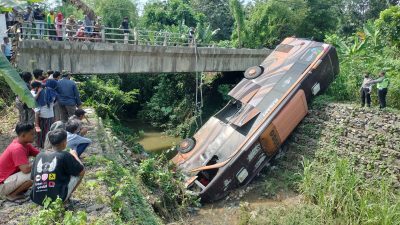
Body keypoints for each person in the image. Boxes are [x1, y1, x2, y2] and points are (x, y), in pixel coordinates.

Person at [30, 129, 85, 205]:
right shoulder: (65, 155)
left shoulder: (39, 155)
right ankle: (65, 200)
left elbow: (33, 178)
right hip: (57, 198)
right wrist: (75, 155)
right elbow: (81, 171)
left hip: (37, 198)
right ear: (64, 142)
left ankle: (47, 198)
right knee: (79, 172)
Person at [0, 123, 40, 201]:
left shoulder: (25, 144)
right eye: (32, 134)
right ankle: (12, 195)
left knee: (37, 171)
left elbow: (40, 154)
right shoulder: (17, 148)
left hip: (7, 180)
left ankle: (16, 191)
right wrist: (37, 162)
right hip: (2, 185)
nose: (34, 135)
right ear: (23, 135)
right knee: (36, 173)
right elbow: (25, 170)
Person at [35, 79, 58, 148]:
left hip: (42, 116)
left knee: (41, 133)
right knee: (48, 132)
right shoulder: (53, 93)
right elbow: (54, 104)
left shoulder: (41, 92)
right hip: (51, 116)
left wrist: (36, 124)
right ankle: (48, 146)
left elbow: (37, 106)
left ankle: (41, 145)